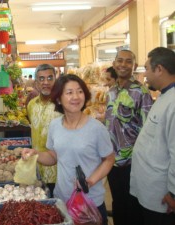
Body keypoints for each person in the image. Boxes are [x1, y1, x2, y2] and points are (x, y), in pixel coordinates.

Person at [23, 74, 115, 225]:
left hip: (89, 201)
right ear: (59, 98)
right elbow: (53, 157)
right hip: (62, 198)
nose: (76, 97)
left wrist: (90, 181)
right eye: (69, 92)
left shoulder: (97, 128)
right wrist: (36, 154)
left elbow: (109, 159)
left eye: (79, 91)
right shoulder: (54, 126)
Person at [105, 49, 154, 225]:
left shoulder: (141, 92)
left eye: (128, 61)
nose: (123, 65)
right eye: (120, 60)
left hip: (133, 161)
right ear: (114, 63)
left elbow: (149, 128)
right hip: (112, 159)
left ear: (134, 66)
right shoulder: (110, 91)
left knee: (132, 206)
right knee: (118, 202)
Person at [129, 47, 175, 225]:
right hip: (149, 189)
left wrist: (173, 193)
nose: (145, 74)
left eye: (147, 68)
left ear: (159, 69)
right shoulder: (164, 96)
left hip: (162, 196)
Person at [26, 64, 61, 197]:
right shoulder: (31, 105)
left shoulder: (62, 105)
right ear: (36, 83)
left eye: (50, 78)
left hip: (58, 171)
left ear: (55, 80)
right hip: (36, 168)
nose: (45, 82)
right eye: (41, 79)